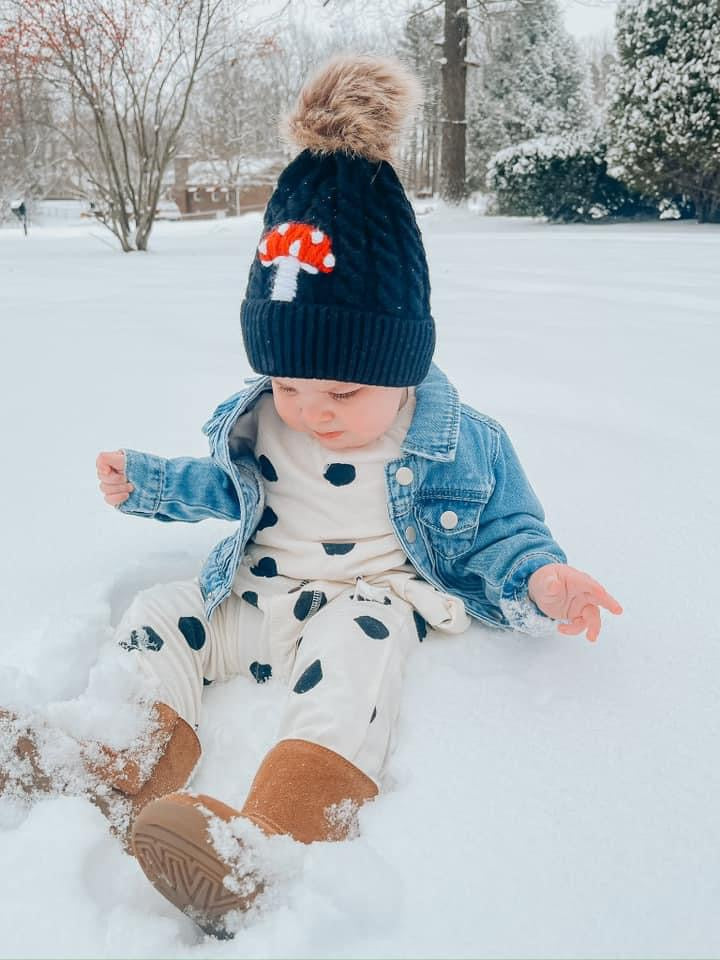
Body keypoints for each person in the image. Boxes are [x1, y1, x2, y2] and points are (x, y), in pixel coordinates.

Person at [6, 55, 622, 938]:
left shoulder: (454, 439)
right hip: (253, 596)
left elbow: (506, 529)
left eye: (342, 397)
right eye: (292, 386)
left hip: (356, 605)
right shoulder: (267, 417)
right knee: (164, 607)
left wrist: (542, 580)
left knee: (360, 650)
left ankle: (275, 835)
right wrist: (149, 483)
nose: (311, 414)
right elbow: (223, 488)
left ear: (399, 368)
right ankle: (119, 755)